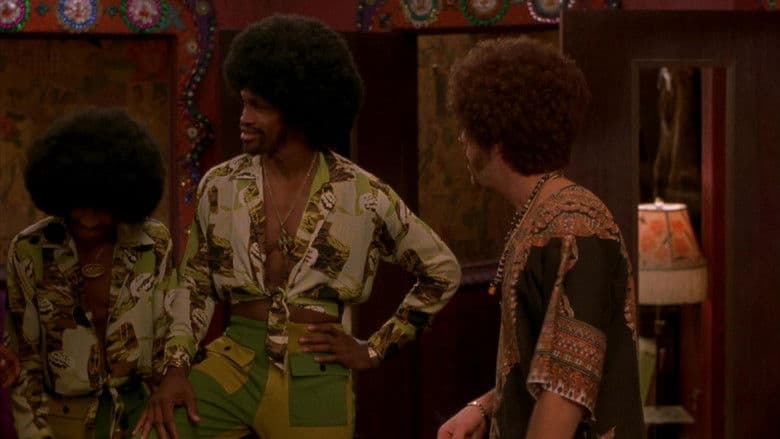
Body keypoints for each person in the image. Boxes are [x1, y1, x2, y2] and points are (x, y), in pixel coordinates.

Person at [134, 14, 461, 439]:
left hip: (314, 372)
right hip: (233, 361)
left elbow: (441, 270)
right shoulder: (221, 184)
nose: (244, 117)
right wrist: (177, 368)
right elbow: (194, 283)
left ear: (299, 110)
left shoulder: (363, 194)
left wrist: (374, 349)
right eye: (244, 102)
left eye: (259, 106)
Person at [437, 37, 645, 439]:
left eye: (467, 128)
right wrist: (485, 407)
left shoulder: (575, 226)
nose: (462, 139)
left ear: (496, 136)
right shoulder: (540, 216)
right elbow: (544, 365)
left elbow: (567, 390)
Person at [4, 107, 179, 438]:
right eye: (78, 204)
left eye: (101, 208)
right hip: (61, 420)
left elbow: (169, 336)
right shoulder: (30, 249)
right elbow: (25, 361)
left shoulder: (154, 243)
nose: (87, 219)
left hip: (139, 416)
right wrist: (34, 433)